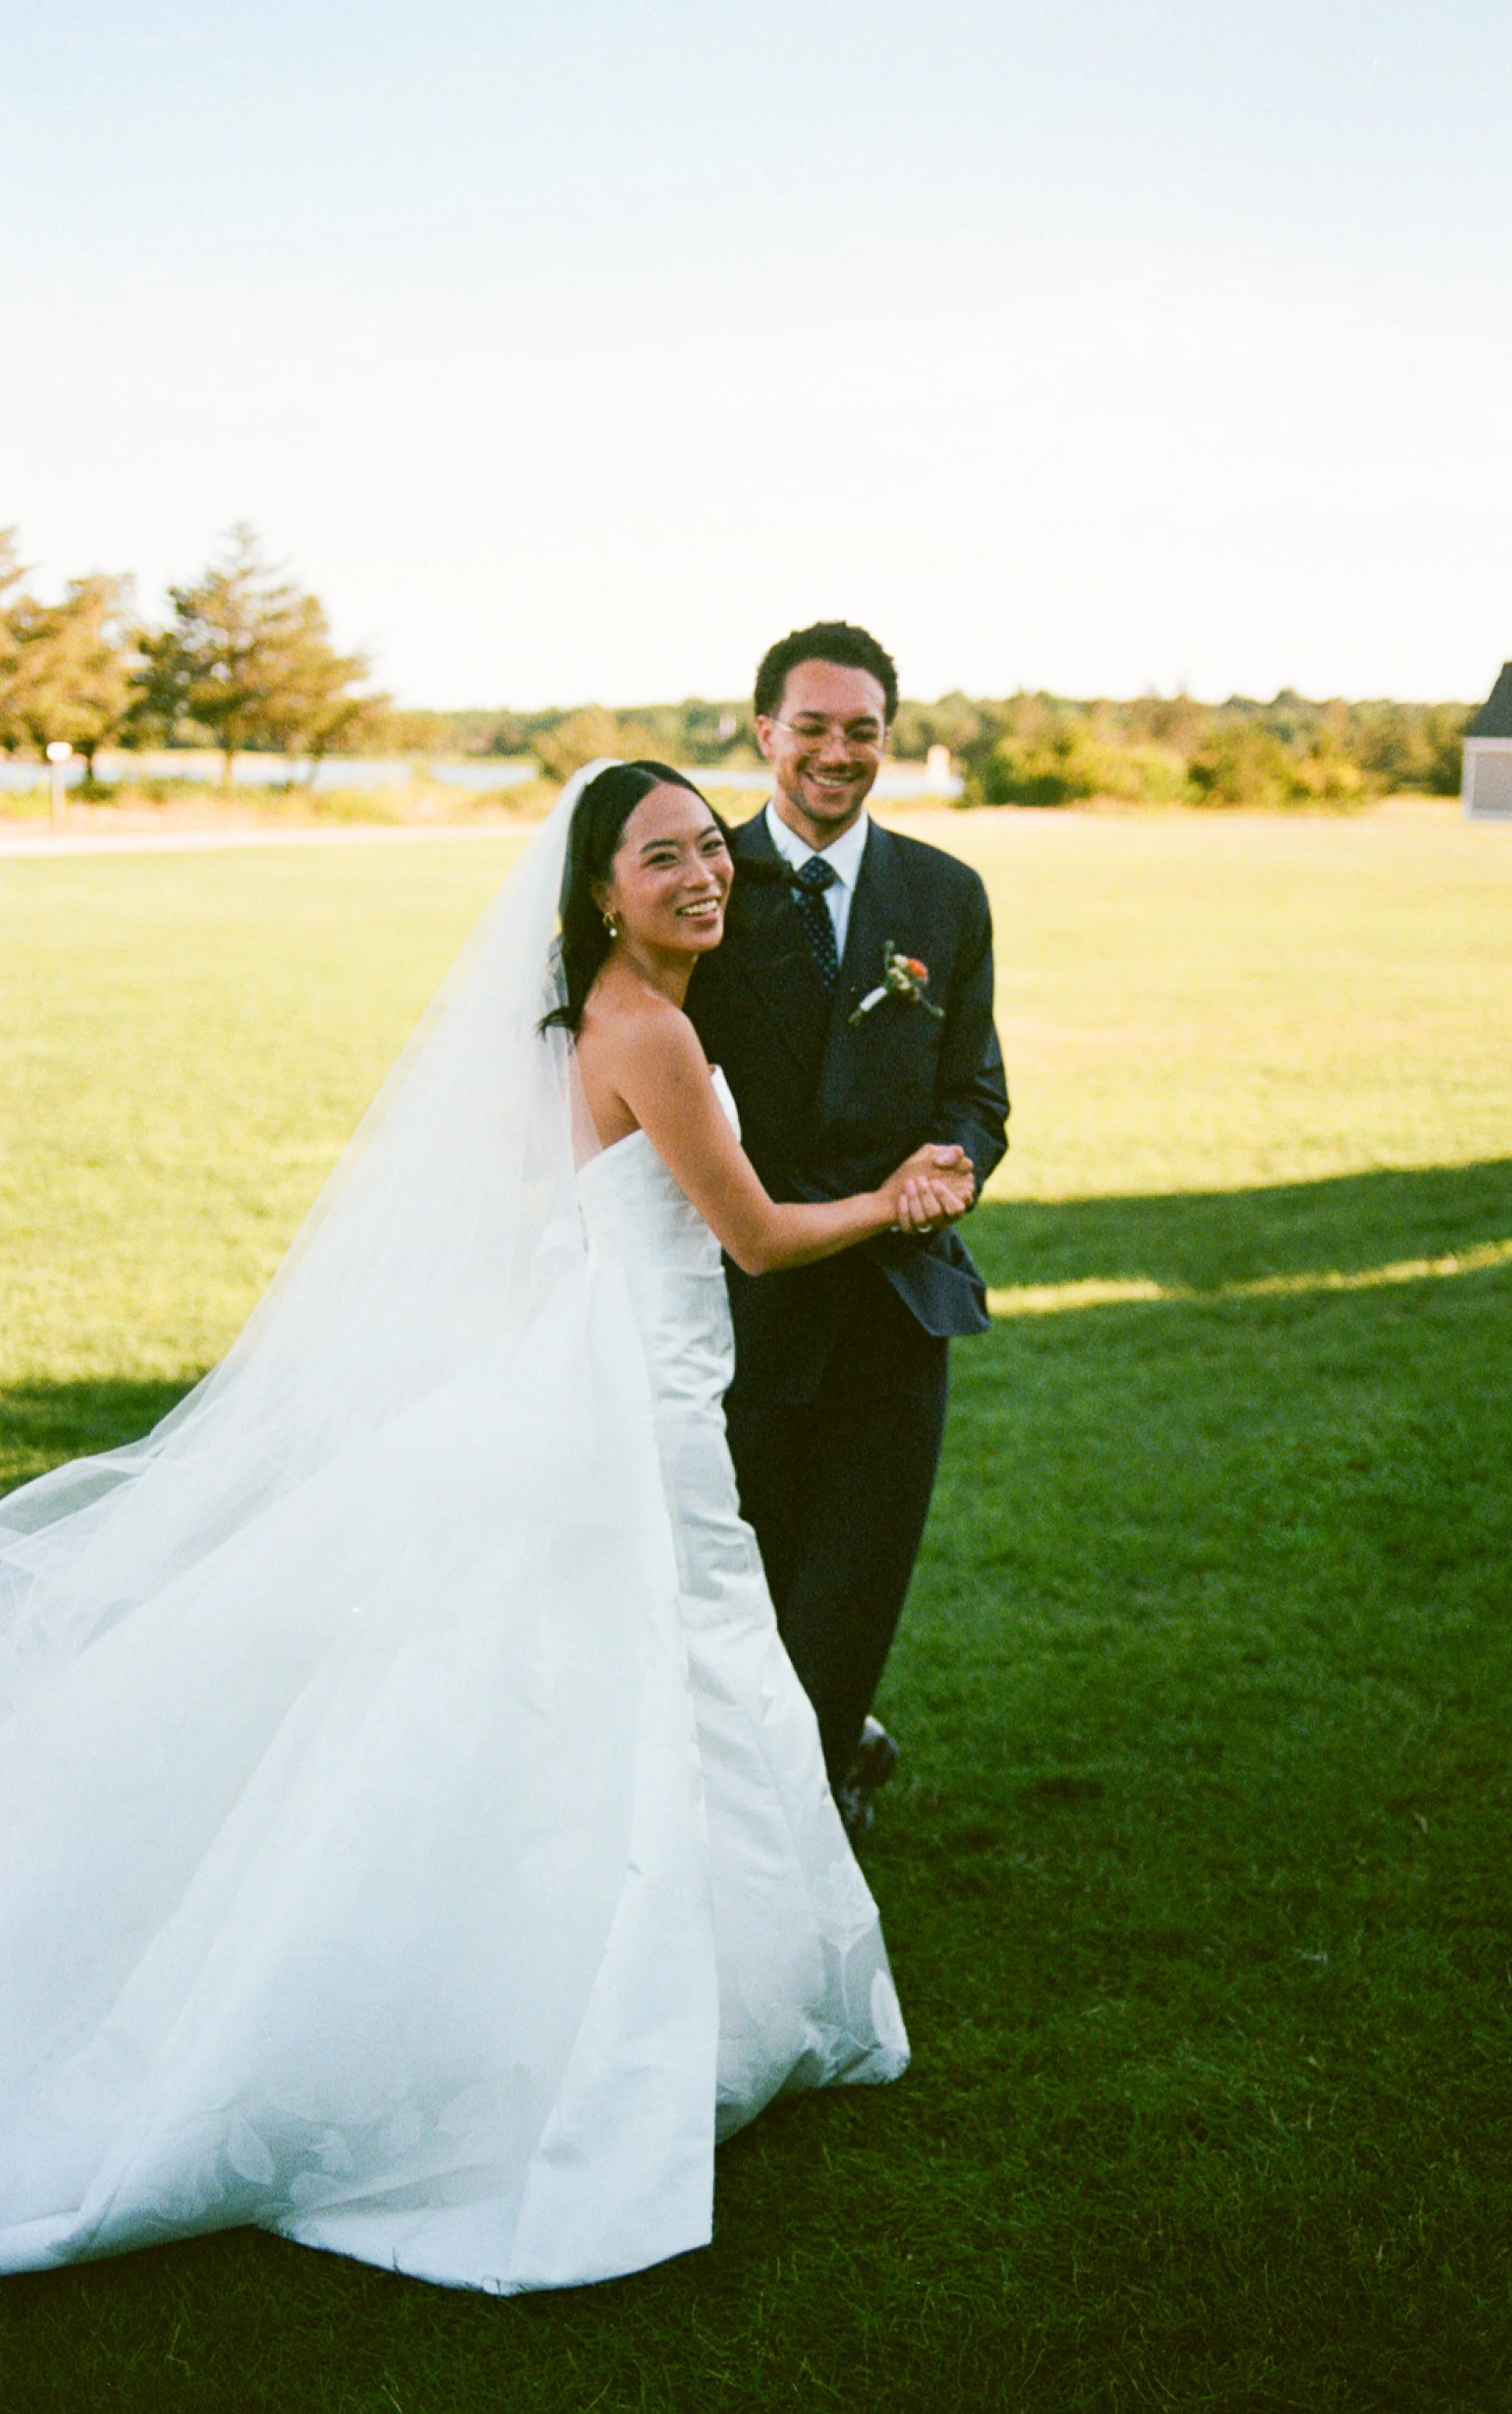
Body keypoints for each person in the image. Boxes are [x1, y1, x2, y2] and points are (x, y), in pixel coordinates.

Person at [0, 761, 972, 2295]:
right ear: (598, 888)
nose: (701, 874)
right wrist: (904, 1200)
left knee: (647, 1674)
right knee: (687, 1663)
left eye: (709, 848)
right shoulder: (643, 1029)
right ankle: (647, 2011)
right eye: (662, 858)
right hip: (642, 1399)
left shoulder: (597, 1017)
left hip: (622, 1369)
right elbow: (763, 1237)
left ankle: (682, 1985)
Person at [687, 623, 1010, 1833]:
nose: (837, 752)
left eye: (862, 730)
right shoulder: (700, 874)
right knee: (744, 1573)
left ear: (889, 738)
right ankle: (767, 1795)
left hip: (893, 1296)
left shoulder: (944, 894)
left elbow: (976, 1093)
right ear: (763, 729)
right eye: (811, 726)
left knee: (858, 1581)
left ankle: (814, 1789)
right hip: (741, 1298)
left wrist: (953, 1168)